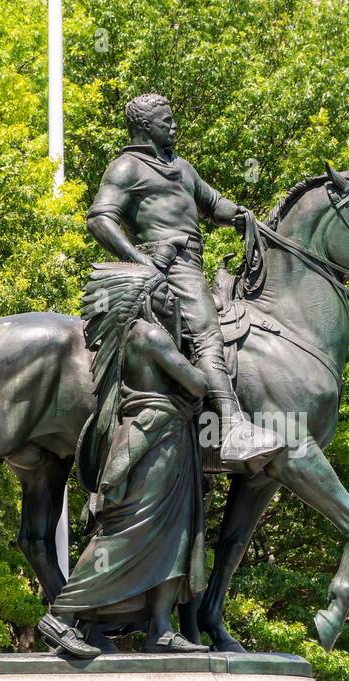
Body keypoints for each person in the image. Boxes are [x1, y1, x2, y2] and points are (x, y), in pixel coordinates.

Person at [86, 92, 283, 469]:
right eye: (167, 120)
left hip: (192, 261)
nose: (174, 125)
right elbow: (100, 218)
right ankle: (233, 427)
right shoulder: (126, 167)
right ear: (145, 126)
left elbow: (213, 204)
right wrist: (141, 259)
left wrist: (242, 216)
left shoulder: (182, 166)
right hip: (169, 261)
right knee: (208, 333)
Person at [39, 271, 210, 657]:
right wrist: (200, 360)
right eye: (164, 295)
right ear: (145, 299)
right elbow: (197, 384)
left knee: (175, 534)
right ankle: (62, 616)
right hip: (150, 438)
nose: (173, 302)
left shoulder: (136, 337)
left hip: (171, 440)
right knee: (125, 531)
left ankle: (162, 628)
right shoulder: (149, 335)